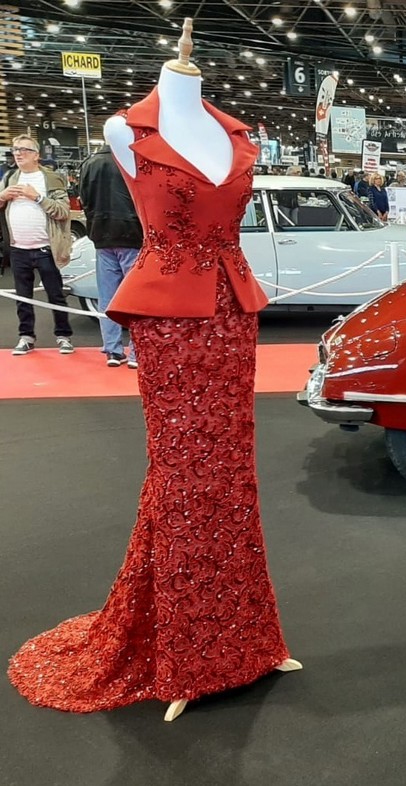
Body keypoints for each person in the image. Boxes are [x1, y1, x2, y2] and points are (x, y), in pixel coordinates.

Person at [8, 35, 294, 715]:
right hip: (169, 321)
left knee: (232, 479)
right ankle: (189, 658)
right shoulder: (124, 131)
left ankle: (251, 642)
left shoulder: (236, 135)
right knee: (183, 475)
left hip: (232, 316)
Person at [0, 133, 74, 356]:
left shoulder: (51, 179)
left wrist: (37, 197)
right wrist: (2, 196)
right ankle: (26, 337)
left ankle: (63, 336)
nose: (18, 153)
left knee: (56, 295)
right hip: (18, 249)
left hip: (46, 249)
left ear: (36, 155)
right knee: (22, 298)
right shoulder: (10, 177)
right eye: (15, 149)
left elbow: (63, 211)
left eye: (24, 149)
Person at [79, 143, 144, 367]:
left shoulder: (89, 163)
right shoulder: (132, 160)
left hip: (101, 236)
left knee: (107, 297)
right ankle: (136, 353)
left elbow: (84, 199)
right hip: (132, 235)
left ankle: (113, 351)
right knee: (136, 297)